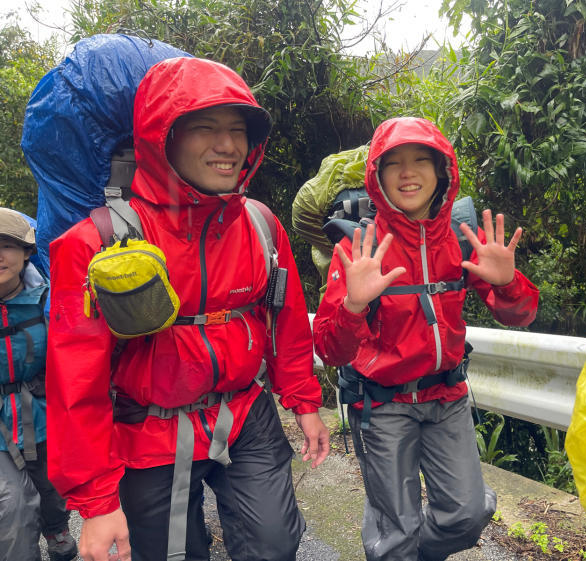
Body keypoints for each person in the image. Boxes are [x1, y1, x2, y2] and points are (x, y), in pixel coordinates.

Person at [46, 57, 330, 561]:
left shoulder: (261, 224)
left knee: (276, 545)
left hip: (245, 414)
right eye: (205, 127)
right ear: (161, 137)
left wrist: (304, 402)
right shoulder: (97, 244)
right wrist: (95, 502)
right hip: (149, 431)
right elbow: (75, 383)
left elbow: (285, 322)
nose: (228, 146)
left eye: (238, 130)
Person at [313, 117, 539, 561]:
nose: (408, 172)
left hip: (446, 398)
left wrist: (508, 282)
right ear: (377, 178)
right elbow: (330, 348)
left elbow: (522, 314)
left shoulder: (461, 239)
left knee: (467, 515)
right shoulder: (360, 246)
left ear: (443, 172)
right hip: (381, 405)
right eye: (393, 163)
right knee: (394, 532)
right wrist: (353, 306)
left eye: (421, 160)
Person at [0, 208, 77, 561]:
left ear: (28, 251)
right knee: (13, 507)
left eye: (7, 245)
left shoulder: (50, 299)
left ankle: (58, 530)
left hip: (45, 416)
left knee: (52, 492)